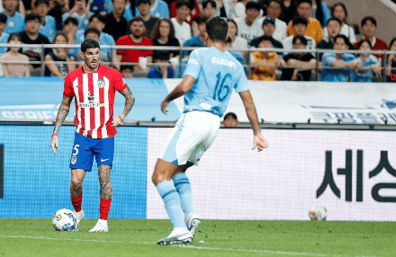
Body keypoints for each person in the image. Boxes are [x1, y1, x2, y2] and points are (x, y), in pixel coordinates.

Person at [152, 17, 268, 245]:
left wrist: (166, 99)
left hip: (195, 118)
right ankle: (190, 214)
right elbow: (249, 102)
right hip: (214, 124)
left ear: (204, 32)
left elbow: (186, 85)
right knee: (177, 171)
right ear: (227, 36)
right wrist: (257, 133)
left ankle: (179, 228)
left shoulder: (199, 54)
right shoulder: (235, 64)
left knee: (159, 176)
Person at [50, 38, 135, 233]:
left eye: (97, 53)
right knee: (75, 182)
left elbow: (130, 97)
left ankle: (103, 222)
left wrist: (122, 116)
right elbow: (65, 105)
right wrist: (55, 133)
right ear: (82, 55)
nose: (94, 57)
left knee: (104, 178)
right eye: (90, 54)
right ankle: (78, 212)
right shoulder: (72, 78)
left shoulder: (112, 75)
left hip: (105, 136)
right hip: (83, 136)